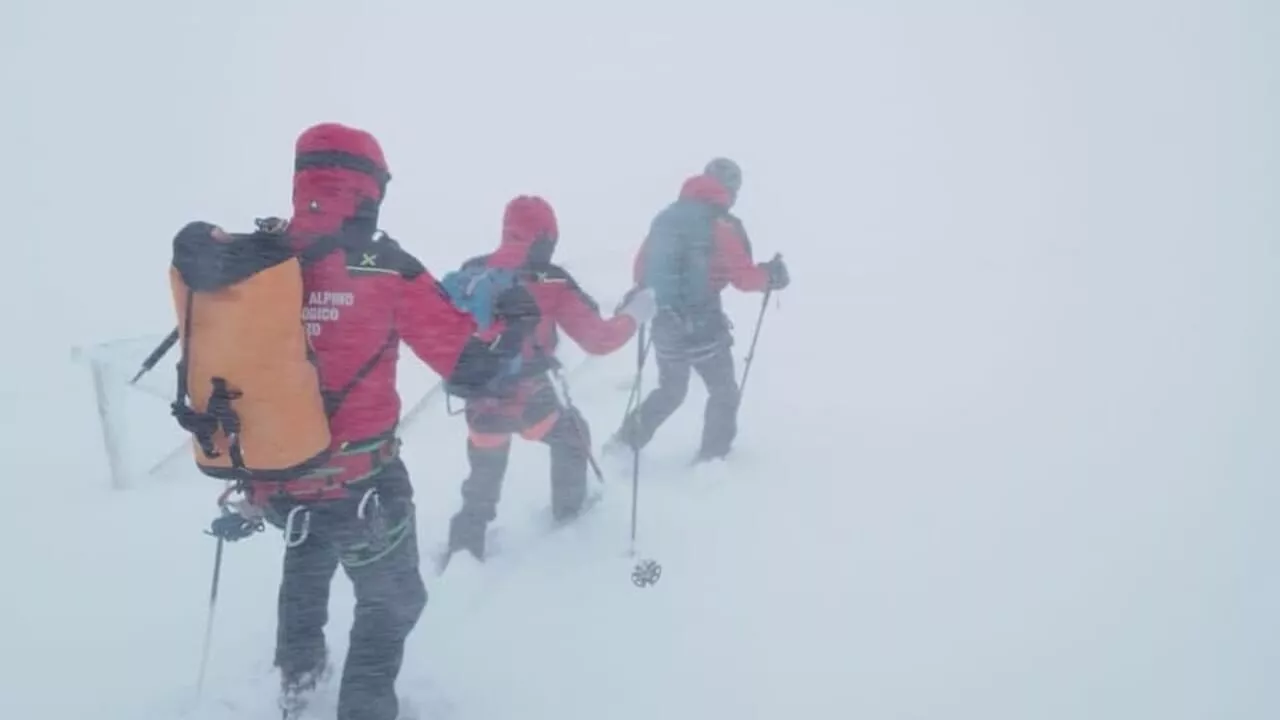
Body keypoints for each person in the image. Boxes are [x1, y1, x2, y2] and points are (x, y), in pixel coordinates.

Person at [209, 122, 528, 720]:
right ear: (371, 189)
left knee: (307, 553)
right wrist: (514, 326)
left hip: (277, 473)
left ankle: (298, 681)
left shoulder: (259, 258)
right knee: (394, 599)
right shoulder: (386, 268)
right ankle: (364, 707)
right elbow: (470, 369)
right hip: (360, 480)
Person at [443, 194, 656, 565]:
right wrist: (635, 316)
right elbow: (599, 339)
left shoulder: (474, 269)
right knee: (572, 436)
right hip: (529, 398)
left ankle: (464, 548)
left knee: (483, 477)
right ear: (546, 236)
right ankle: (569, 518)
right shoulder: (550, 278)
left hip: (479, 399)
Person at [609, 157, 789, 464]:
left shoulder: (666, 217)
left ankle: (624, 444)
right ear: (731, 190)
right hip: (702, 323)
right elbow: (744, 278)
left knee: (671, 389)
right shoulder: (721, 223)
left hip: (664, 321)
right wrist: (771, 276)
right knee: (723, 391)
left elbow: (641, 269)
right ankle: (712, 460)